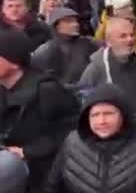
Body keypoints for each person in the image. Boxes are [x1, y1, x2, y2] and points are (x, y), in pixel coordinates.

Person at [44, 84, 136, 193]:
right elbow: (53, 187)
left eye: (108, 113)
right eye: (95, 115)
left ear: (123, 114)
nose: (101, 121)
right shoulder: (72, 143)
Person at [0, 29, 79, 192]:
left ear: (14, 62)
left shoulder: (47, 89)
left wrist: (28, 151)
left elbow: (70, 130)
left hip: (42, 171)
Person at [79, 17, 136, 125]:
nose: (130, 39)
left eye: (132, 35)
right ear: (109, 41)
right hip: (119, 135)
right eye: (123, 36)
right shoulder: (95, 69)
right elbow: (84, 101)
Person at [31, 8, 99, 84]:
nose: (75, 24)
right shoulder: (46, 50)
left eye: (76, 21)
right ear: (57, 25)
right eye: (68, 21)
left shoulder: (88, 43)